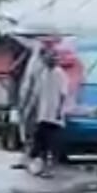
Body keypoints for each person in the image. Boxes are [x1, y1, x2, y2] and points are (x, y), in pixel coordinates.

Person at [29, 45, 69, 177]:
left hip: (54, 117)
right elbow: (36, 94)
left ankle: (51, 168)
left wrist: (59, 111)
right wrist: (34, 111)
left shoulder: (60, 74)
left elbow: (63, 94)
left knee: (53, 144)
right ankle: (40, 166)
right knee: (40, 143)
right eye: (47, 57)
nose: (50, 60)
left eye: (53, 57)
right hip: (42, 115)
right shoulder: (43, 73)